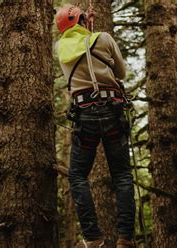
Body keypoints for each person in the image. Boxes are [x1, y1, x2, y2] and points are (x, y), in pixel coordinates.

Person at [55, 4, 136, 248]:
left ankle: (92, 238)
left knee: (78, 176)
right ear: (81, 20)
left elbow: (79, 44)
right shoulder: (103, 38)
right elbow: (120, 73)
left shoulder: (60, 47)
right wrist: (94, 33)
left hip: (85, 116)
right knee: (121, 175)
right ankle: (125, 239)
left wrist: (84, 29)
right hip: (112, 112)